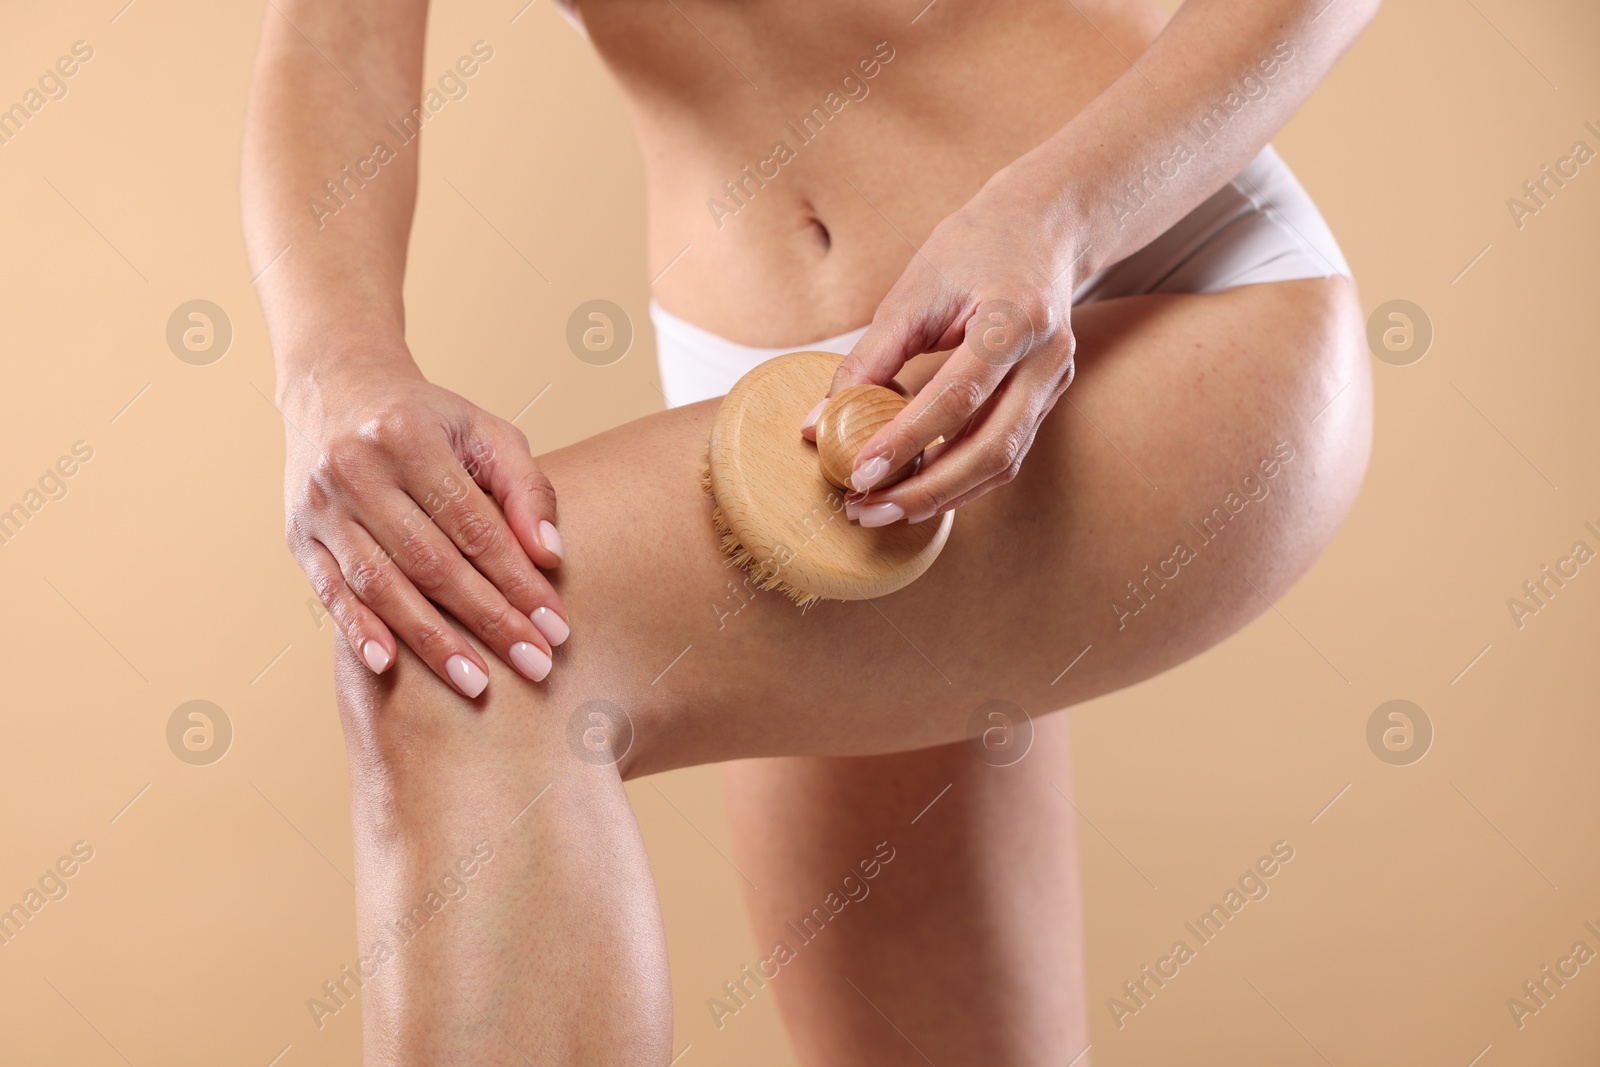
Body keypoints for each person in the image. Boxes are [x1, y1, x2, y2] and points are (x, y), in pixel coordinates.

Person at [242, 0, 1378, 1062]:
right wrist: (334, 368)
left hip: (1139, 269)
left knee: (473, 658)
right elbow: (331, 43)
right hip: (776, 401)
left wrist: (1061, 215)